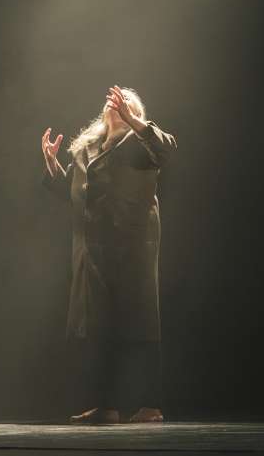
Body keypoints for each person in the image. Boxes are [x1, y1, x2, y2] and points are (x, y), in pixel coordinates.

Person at [41, 85, 176, 424]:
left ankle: (150, 405)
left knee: (140, 325)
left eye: (127, 102)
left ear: (138, 114)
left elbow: (166, 149)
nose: (118, 105)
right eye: (114, 102)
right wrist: (53, 166)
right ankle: (107, 405)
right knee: (100, 330)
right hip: (93, 253)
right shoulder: (85, 150)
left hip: (132, 247)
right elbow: (75, 196)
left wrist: (134, 122)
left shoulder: (141, 145)